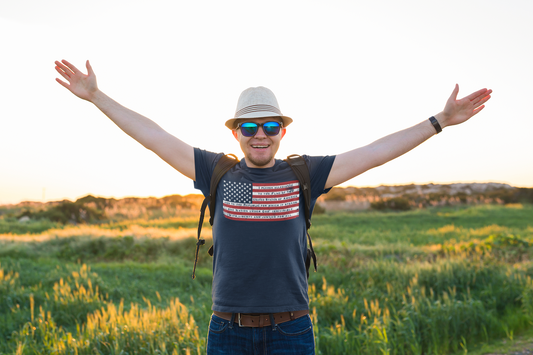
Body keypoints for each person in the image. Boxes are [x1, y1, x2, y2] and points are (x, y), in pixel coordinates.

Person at [54, 59, 492, 354]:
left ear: (282, 131)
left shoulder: (305, 174)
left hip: (292, 330)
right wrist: (97, 97)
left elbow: (376, 151)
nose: (259, 133)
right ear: (235, 132)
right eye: (249, 125)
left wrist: (440, 122)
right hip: (226, 331)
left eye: (269, 125)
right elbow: (153, 136)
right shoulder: (215, 172)